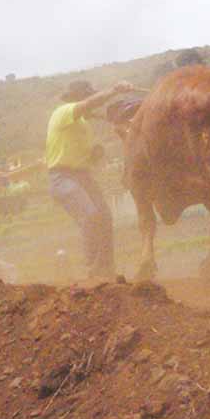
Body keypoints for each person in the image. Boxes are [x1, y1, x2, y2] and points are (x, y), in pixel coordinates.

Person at [47, 79, 136, 279]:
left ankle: (106, 268)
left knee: (105, 217)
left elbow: (87, 158)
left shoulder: (82, 125)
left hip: (81, 176)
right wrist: (113, 89)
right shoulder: (63, 112)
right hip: (62, 176)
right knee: (91, 215)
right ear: (79, 98)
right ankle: (92, 267)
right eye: (89, 96)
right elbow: (89, 105)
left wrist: (95, 154)